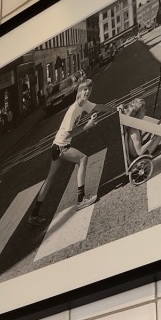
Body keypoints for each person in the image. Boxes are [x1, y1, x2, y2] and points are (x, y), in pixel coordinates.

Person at [29, 78, 106, 224]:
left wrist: (115, 108)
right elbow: (68, 134)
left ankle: (33, 215)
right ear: (79, 91)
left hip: (56, 146)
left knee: (49, 180)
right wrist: (87, 126)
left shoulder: (84, 104)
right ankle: (81, 200)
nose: (87, 92)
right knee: (83, 159)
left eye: (89, 89)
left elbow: (98, 107)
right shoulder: (73, 110)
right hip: (61, 146)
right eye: (84, 89)